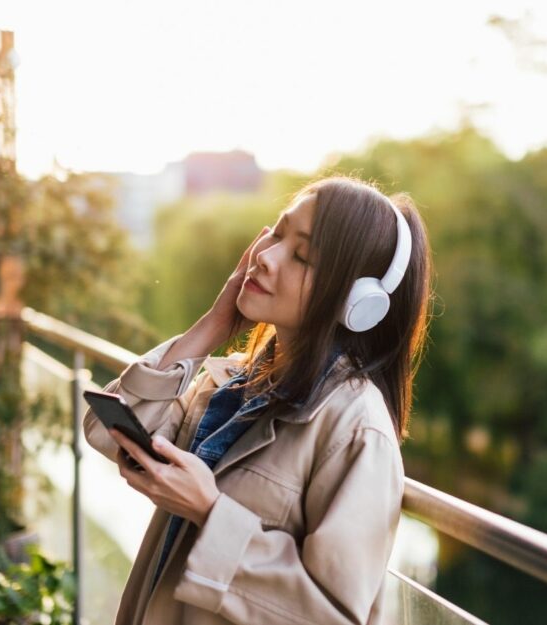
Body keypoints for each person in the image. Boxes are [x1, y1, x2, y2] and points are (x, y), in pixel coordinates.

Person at [82, 174, 433, 624]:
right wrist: (212, 327)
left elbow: (333, 616)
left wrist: (209, 512)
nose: (265, 258)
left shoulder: (355, 429)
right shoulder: (234, 384)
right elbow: (108, 433)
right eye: (275, 235)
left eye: (301, 255)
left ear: (356, 301)